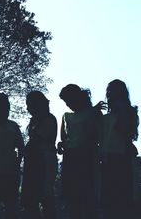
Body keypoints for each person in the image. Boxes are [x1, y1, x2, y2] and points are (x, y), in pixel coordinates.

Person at [58, 84, 101, 219]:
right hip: (70, 157)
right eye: (66, 102)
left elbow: (96, 136)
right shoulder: (66, 116)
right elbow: (64, 138)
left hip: (86, 157)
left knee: (87, 195)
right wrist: (61, 144)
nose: (68, 105)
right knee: (72, 197)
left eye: (69, 101)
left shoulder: (93, 113)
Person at [99, 79, 139, 219]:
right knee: (108, 200)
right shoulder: (105, 118)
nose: (110, 95)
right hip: (106, 160)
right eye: (108, 92)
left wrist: (122, 111)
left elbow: (128, 133)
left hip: (122, 159)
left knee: (123, 197)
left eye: (113, 92)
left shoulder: (130, 113)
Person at [21, 91, 58, 219]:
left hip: (44, 161)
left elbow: (36, 140)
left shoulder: (49, 119)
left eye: (29, 105)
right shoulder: (35, 121)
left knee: (45, 196)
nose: (27, 108)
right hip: (33, 162)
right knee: (30, 199)